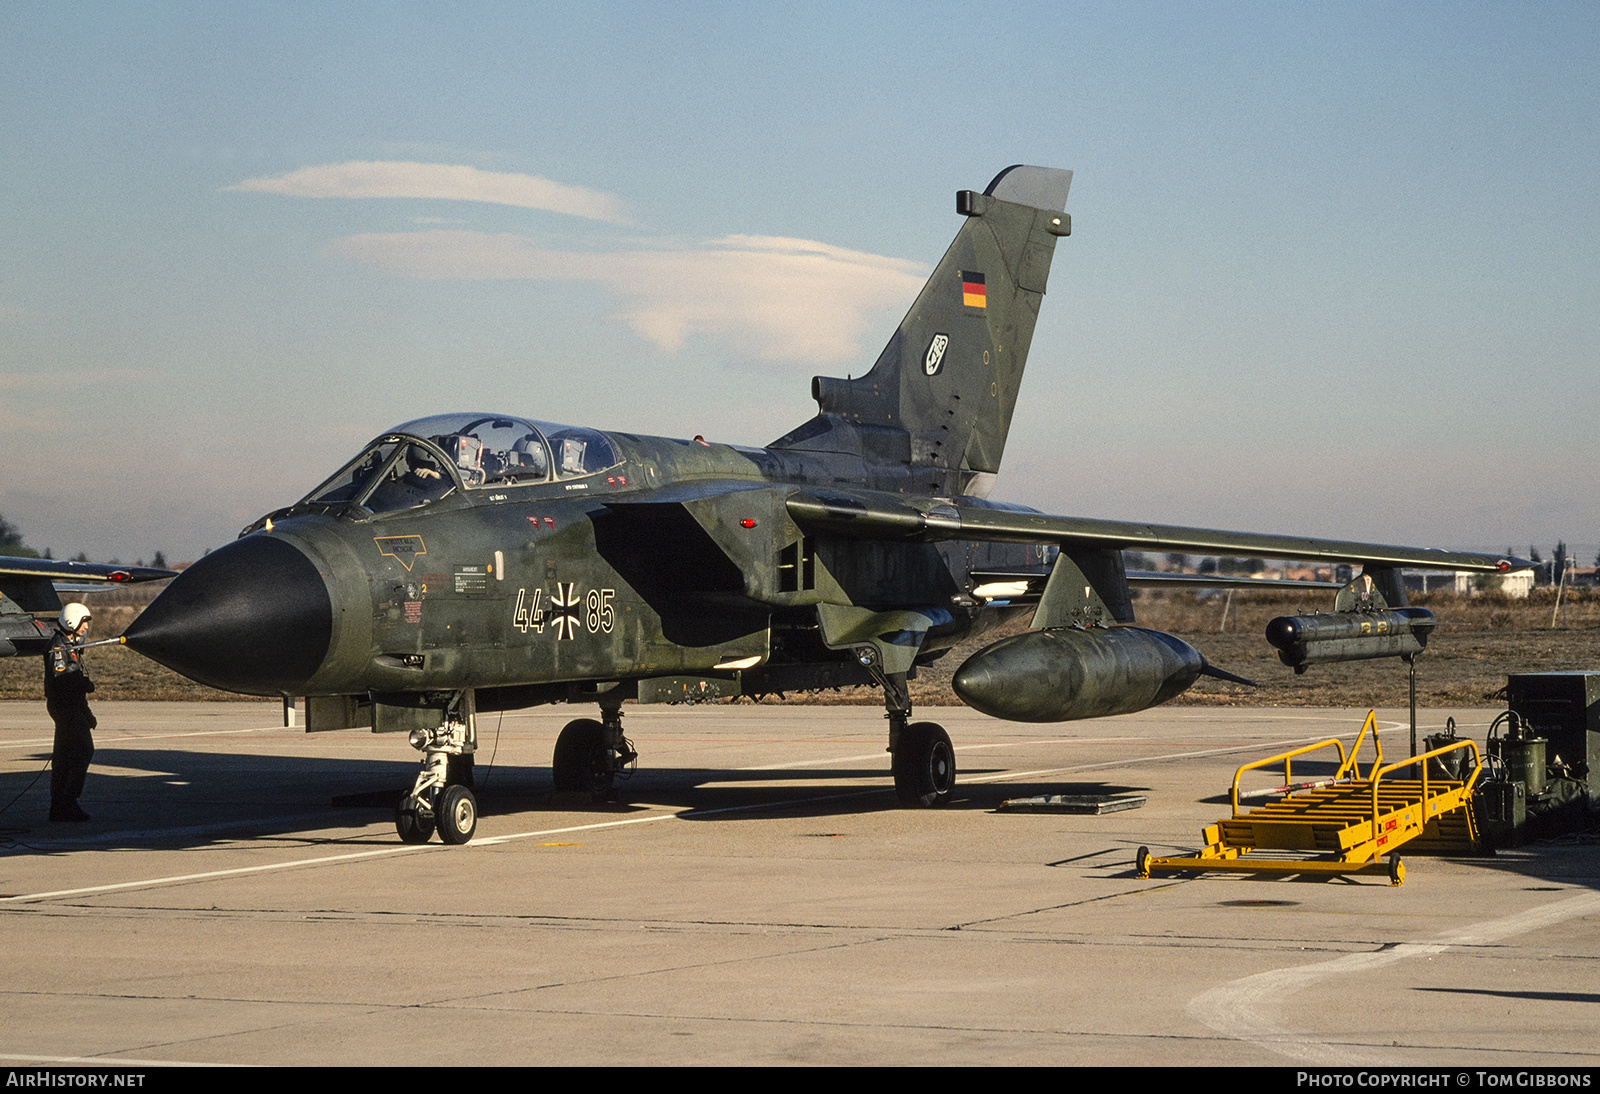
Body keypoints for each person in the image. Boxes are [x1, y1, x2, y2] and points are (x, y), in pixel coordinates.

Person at [45, 602, 96, 822]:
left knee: (65, 756)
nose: (85, 628)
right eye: (84, 623)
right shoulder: (58, 648)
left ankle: (61, 805)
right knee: (83, 750)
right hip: (64, 707)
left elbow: (75, 681)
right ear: (73, 621)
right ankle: (66, 801)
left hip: (73, 706)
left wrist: (87, 713)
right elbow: (61, 681)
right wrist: (83, 685)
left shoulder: (70, 645)